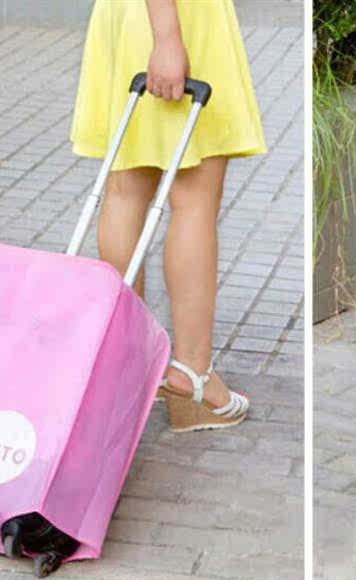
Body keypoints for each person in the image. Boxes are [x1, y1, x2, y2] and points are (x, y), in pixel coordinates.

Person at [71, 0, 267, 432]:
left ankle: (131, 367)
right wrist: (167, 37)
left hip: (126, 19)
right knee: (193, 199)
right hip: (180, 20)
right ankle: (192, 376)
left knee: (126, 191)